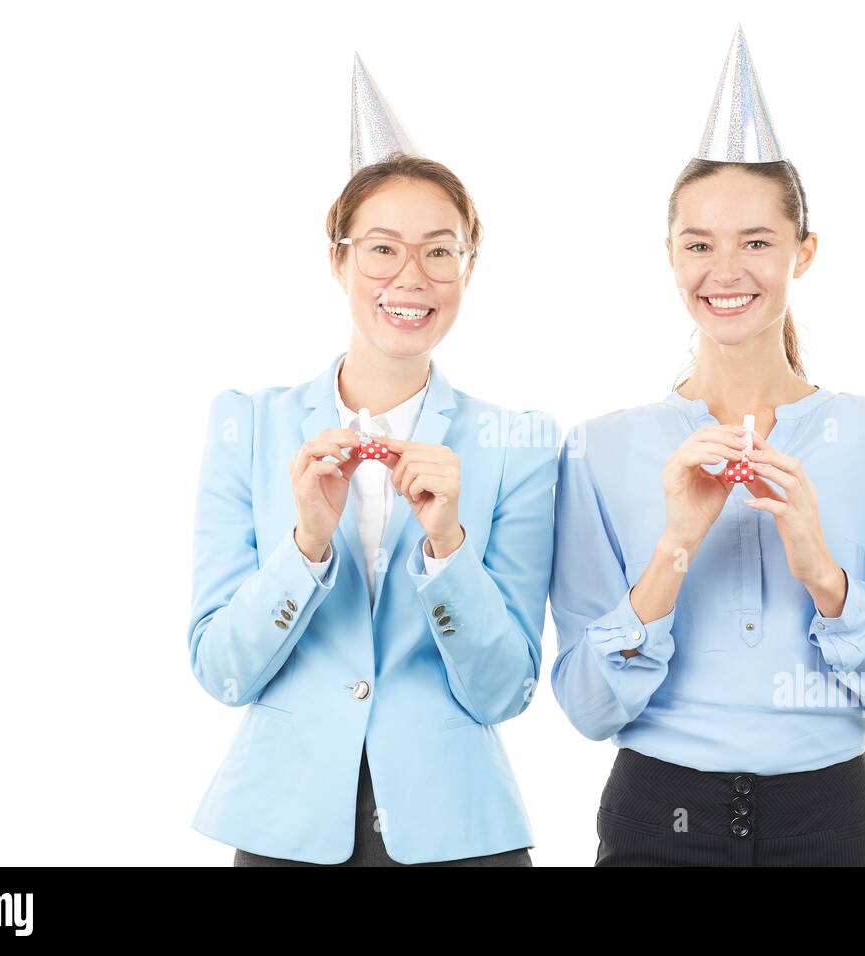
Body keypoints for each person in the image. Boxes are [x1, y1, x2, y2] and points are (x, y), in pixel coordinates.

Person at [549, 27, 865, 866]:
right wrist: (675, 548)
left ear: (804, 251)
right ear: (669, 257)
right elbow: (588, 709)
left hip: (829, 818)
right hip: (656, 819)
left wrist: (824, 576)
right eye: (699, 243)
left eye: (757, 242)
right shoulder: (598, 450)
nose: (725, 270)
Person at [187, 56, 557, 866]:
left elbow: (506, 690)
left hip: (461, 835)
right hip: (284, 829)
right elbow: (221, 672)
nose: (410, 279)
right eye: (382, 248)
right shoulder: (248, 426)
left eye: (440, 252)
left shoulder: (519, 444)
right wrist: (306, 547)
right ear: (338, 260)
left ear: (469, 268)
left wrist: (448, 549)